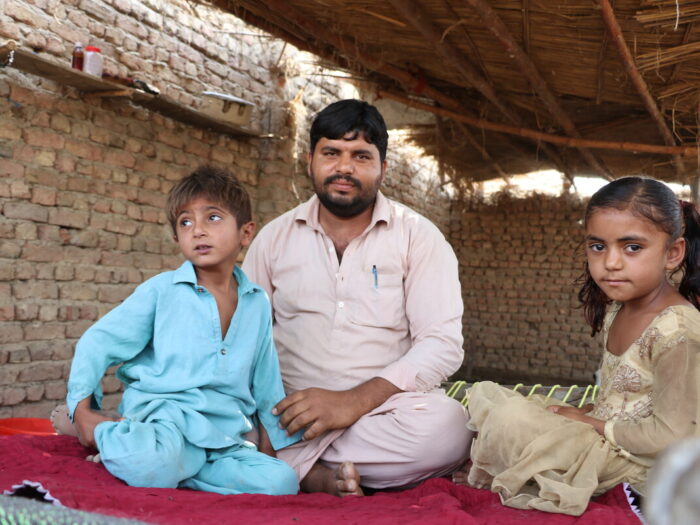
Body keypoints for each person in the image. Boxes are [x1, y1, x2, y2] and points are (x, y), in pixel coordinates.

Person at [242, 99, 472, 496]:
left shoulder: (419, 237)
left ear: (383, 167)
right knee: (206, 414)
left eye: (361, 156)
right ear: (311, 159)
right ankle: (309, 470)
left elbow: (441, 346)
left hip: (380, 413)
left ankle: (285, 467)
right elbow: (243, 337)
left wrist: (351, 402)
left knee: (450, 427)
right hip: (286, 414)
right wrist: (265, 414)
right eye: (332, 153)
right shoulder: (274, 239)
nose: (344, 168)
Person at [455, 177, 700, 515]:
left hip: (641, 465)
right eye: (598, 246)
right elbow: (619, 399)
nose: (611, 262)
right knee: (507, 409)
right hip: (604, 436)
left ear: (673, 253)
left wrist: (592, 425)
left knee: (513, 422)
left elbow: (675, 435)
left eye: (632, 248)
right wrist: (583, 414)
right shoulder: (619, 308)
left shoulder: (678, 330)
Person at [53, 166, 300, 495]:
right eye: (186, 222)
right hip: (164, 424)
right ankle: (99, 431)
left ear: (246, 232)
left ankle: (177, 466)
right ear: (177, 237)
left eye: (212, 218)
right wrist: (82, 411)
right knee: (153, 461)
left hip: (223, 437)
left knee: (282, 482)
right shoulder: (162, 292)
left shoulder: (256, 302)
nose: (197, 230)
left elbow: (266, 382)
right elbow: (98, 343)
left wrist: (268, 450)